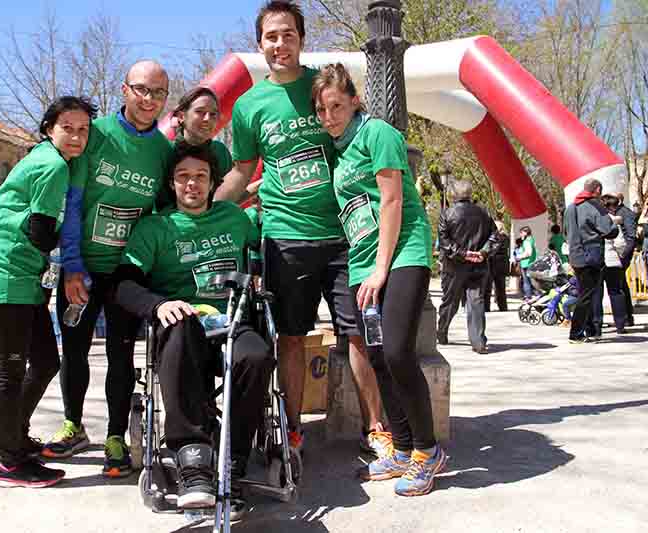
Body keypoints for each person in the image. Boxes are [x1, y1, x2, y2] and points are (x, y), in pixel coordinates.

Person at [214, 0, 383, 456]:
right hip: (285, 238)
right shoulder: (249, 106)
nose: (280, 43)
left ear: (301, 40)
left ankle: (377, 430)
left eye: (288, 34)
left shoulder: (322, 87)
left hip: (344, 236)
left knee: (358, 335)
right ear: (260, 44)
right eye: (271, 36)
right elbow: (242, 169)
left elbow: (361, 138)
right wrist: (207, 208)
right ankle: (292, 431)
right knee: (290, 338)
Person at [312, 63, 446, 496]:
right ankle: (402, 448)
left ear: (354, 101)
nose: (329, 116)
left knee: (398, 351)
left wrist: (382, 268)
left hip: (401, 254)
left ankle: (428, 450)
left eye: (336, 106)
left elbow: (391, 202)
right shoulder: (338, 150)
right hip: (362, 261)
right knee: (376, 356)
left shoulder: (378, 134)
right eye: (321, 110)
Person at [115, 143, 273, 508]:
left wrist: (259, 274)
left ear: (213, 182)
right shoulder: (155, 227)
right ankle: (193, 460)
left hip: (230, 323)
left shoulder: (234, 218)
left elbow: (261, 252)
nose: (192, 183)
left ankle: (233, 458)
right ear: (171, 183)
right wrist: (159, 304)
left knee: (257, 356)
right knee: (182, 322)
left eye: (201, 176)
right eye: (183, 176)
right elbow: (123, 284)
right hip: (179, 329)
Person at [45, 61, 174, 479]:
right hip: (82, 269)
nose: (149, 99)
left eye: (158, 92)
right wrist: (71, 265)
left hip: (125, 273)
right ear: (124, 90)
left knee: (121, 354)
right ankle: (73, 425)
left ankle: (116, 436)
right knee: (74, 349)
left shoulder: (163, 151)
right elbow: (73, 203)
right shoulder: (95, 134)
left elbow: (162, 216)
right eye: (141, 89)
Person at [0, 96, 96, 488]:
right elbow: (40, 232)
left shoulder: (51, 159)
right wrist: (77, 251)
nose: (76, 137)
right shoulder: (53, 165)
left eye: (83, 130)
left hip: (23, 278)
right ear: (48, 129)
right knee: (8, 375)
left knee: (44, 362)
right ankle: (10, 463)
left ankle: (15, 437)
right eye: (67, 128)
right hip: (5, 276)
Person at [436, 180, 499, 354]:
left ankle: (442, 332)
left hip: (454, 267)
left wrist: (463, 254)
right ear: (469, 194)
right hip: (478, 265)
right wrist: (483, 252)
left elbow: (445, 243)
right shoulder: (484, 212)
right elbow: (495, 236)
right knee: (476, 302)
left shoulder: (447, 214)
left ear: (453, 195)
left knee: (450, 301)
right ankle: (478, 342)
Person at [564, 178, 617, 343]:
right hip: (591, 255)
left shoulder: (570, 207)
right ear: (598, 190)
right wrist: (615, 224)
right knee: (588, 295)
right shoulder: (596, 206)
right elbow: (608, 230)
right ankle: (577, 333)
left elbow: (566, 232)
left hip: (575, 255)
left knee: (584, 293)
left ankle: (589, 330)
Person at [599, 194, 629, 334]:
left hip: (598, 261)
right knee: (616, 292)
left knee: (597, 294)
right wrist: (621, 254)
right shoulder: (614, 221)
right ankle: (620, 324)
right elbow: (620, 242)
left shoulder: (595, 219)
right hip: (613, 260)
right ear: (611, 207)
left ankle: (597, 324)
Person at [614, 193, 637, 326]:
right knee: (620, 284)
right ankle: (627, 316)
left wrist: (623, 255)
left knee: (620, 285)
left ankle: (627, 316)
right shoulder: (617, 212)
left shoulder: (625, 213)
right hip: (617, 254)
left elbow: (631, 237)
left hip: (622, 255)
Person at [484, 220, 510, 312]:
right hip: (502, 264)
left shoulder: (498, 237)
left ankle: (486, 307)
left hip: (493, 264)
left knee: (488, 287)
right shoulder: (506, 237)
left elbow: (493, 250)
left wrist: (484, 254)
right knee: (500, 287)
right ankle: (503, 307)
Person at [514, 226, 538, 299]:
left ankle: (528, 296)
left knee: (526, 281)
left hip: (526, 263)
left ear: (526, 232)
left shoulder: (527, 241)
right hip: (531, 262)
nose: (520, 234)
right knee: (530, 281)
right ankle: (534, 294)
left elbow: (528, 253)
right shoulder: (531, 239)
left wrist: (519, 257)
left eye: (521, 233)